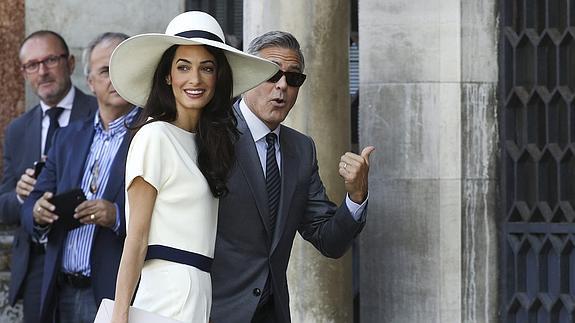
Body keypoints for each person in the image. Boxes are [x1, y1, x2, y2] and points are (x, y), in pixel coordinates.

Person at [107, 11, 278, 323]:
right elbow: (136, 238)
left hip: (200, 291)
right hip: (166, 293)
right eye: (183, 67)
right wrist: (120, 315)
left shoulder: (208, 144)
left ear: (218, 77)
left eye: (207, 68)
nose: (195, 79)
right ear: (168, 76)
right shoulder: (154, 136)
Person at [210, 31, 375, 323]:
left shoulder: (300, 149)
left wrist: (356, 196)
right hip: (211, 310)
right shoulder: (210, 134)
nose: (282, 86)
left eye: (293, 78)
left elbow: (329, 240)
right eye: (272, 74)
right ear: (247, 74)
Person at [21, 32, 139, 323]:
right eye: (105, 71)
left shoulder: (151, 134)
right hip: (61, 290)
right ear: (90, 82)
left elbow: (168, 213)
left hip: (114, 294)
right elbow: (32, 200)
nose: (115, 78)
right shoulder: (68, 137)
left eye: (122, 68)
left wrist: (116, 216)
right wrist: (37, 211)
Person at [0, 30, 97, 323]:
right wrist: (21, 194)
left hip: (86, 260)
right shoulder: (17, 130)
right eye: (32, 64)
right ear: (24, 72)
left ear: (70, 63)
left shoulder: (99, 111)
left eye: (50, 60)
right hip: (36, 265)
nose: (42, 71)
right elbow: (4, 206)